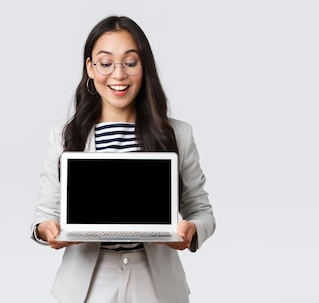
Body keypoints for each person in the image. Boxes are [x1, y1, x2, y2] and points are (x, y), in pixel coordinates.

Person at [30, 15, 216, 303]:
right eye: (106, 64)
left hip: (155, 281)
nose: (118, 75)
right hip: (87, 284)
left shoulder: (177, 134)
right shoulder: (64, 135)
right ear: (90, 68)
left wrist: (192, 231)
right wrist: (48, 231)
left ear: (144, 68)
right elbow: (44, 216)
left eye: (130, 63)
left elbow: (202, 212)